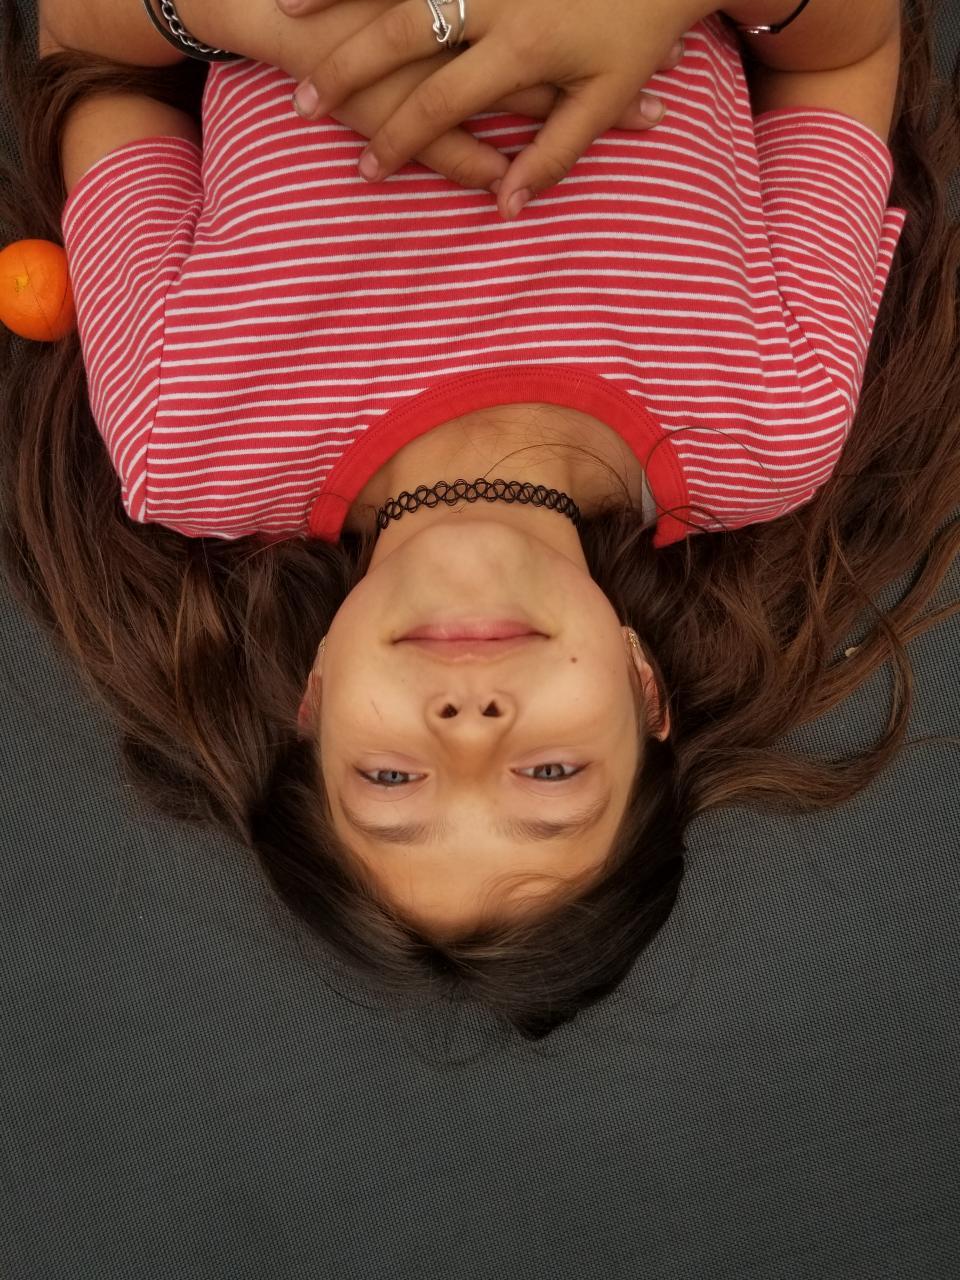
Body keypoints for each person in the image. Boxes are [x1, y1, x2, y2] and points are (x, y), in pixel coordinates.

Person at [1, 0, 958, 1039]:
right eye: (551, 776)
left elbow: (83, 43)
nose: (469, 729)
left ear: (314, 701)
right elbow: (848, 51)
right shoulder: (769, 422)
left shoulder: (188, 438)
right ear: (643, 690)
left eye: (392, 779)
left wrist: (244, 15)